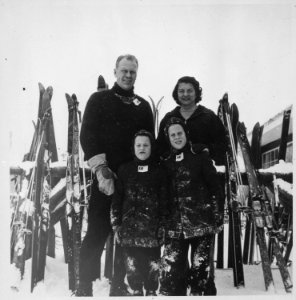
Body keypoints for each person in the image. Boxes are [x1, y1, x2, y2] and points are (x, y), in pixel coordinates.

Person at [77, 54, 154, 296]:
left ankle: (119, 285)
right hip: (106, 177)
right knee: (97, 231)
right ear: (115, 71)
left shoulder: (143, 107)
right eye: (124, 70)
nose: (128, 75)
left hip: (132, 181)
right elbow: (87, 135)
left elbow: (148, 141)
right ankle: (84, 286)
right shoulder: (99, 100)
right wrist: (101, 169)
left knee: (127, 234)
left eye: (132, 71)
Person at [159, 117, 223, 296]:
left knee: (200, 270)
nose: (177, 137)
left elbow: (215, 189)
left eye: (180, 133)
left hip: (201, 224)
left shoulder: (200, 157)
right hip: (174, 227)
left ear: (186, 134)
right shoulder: (165, 162)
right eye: (173, 135)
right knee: (172, 272)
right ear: (168, 138)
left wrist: (217, 216)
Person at [111, 130, 168, 296]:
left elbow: (165, 202)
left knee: (152, 269)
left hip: (152, 235)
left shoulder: (159, 172)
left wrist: (163, 226)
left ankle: (151, 292)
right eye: (138, 145)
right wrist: (116, 226)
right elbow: (117, 201)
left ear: (151, 147)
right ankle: (136, 292)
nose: (142, 148)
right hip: (129, 233)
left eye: (146, 145)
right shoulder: (124, 170)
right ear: (133, 148)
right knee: (132, 270)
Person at [156, 76, 226, 166]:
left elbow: (221, 144)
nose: (185, 94)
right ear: (176, 93)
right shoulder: (169, 118)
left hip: (203, 170)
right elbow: (160, 147)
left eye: (190, 91)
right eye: (181, 91)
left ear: (196, 93)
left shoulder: (208, 117)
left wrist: (207, 150)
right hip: (174, 171)